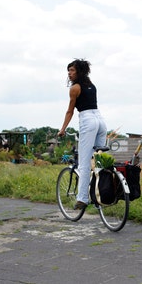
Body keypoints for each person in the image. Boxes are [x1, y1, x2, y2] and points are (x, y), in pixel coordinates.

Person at [57, 59, 107, 210]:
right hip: (101, 121)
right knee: (99, 162)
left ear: (79, 71)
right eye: (68, 71)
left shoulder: (75, 88)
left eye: (72, 70)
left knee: (84, 163)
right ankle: (101, 196)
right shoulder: (92, 86)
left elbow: (70, 111)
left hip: (88, 121)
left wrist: (62, 129)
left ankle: (82, 199)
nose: (69, 73)